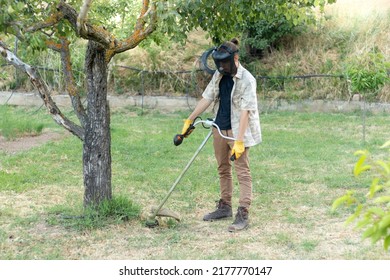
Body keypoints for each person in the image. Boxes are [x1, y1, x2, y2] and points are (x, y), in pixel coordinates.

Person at [179, 38, 262, 232]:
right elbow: (207, 98)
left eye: (225, 62)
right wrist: (189, 120)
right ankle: (224, 206)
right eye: (219, 63)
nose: (222, 66)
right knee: (223, 168)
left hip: (236, 131)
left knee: (242, 171)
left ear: (235, 58)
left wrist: (239, 140)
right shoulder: (219, 74)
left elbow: (245, 111)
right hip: (218, 127)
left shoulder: (247, 79)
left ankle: (243, 212)